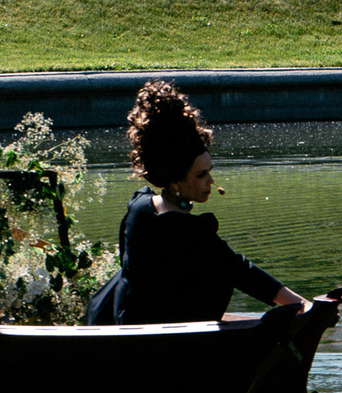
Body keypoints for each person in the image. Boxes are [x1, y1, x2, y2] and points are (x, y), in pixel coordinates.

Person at [88, 82, 308, 326]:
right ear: (176, 181)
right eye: (201, 175)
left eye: (209, 172)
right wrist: (304, 307)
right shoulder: (185, 230)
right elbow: (239, 271)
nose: (211, 182)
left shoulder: (140, 206)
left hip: (120, 321)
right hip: (152, 341)